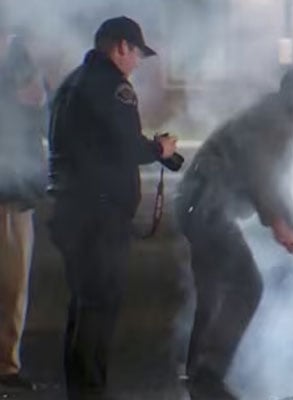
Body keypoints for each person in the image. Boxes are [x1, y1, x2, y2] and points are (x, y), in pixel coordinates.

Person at [175, 61, 293, 399]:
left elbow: (279, 184)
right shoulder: (272, 121)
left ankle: (196, 373)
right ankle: (208, 373)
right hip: (207, 206)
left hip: (199, 205)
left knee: (213, 291)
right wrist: (278, 223)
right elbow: (260, 174)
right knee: (247, 286)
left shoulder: (281, 120)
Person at [47, 16, 177, 399]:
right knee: (100, 306)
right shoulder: (116, 87)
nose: (136, 61)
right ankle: (90, 391)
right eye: (136, 53)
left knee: (84, 305)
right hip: (100, 215)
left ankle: (80, 389)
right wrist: (159, 149)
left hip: (72, 209)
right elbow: (127, 146)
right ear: (122, 46)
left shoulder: (72, 82)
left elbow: (101, 140)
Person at [0, 28, 48, 392]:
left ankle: (6, 363)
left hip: (16, 193)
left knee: (15, 286)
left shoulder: (21, 61)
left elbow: (36, 118)